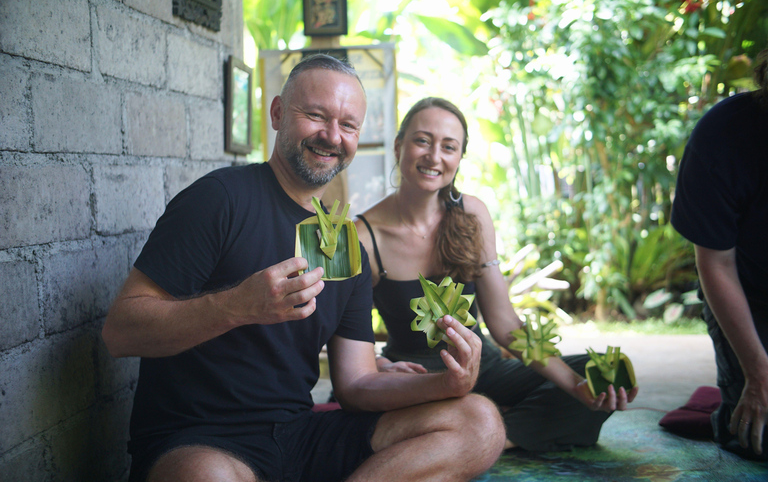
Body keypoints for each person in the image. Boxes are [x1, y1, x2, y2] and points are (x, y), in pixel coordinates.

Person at [102, 55, 506, 482]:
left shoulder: (344, 243)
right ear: (278, 113)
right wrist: (236, 306)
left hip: (297, 436)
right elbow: (120, 332)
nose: (332, 136)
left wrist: (446, 384)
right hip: (200, 440)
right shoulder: (220, 199)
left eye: (348, 125)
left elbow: (356, 384)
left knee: (480, 422)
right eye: (315, 115)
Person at [354, 97, 638, 452]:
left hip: (483, 368)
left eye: (448, 147)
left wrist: (576, 386)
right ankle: (488, 428)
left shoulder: (471, 214)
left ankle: (485, 436)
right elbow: (344, 341)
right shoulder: (364, 236)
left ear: (459, 158)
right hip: (415, 379)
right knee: (360, 413)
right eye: (422, 141)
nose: (434, 156)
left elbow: (504, 324)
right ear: (399, 146)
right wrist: (380, 365)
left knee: (593, 372)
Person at [671, 49, 768, 459]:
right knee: (759, 435)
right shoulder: (723, 135)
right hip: (748, 295)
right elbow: (716, 263)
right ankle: (729, 398)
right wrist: (758, 376)